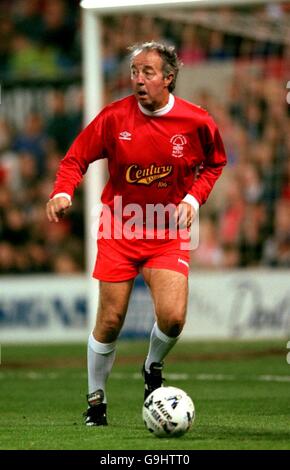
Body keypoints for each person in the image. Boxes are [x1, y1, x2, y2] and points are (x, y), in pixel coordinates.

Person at [46, 41, 227, 426]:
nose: (138, 80)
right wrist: (63, 190)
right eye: (134, 72)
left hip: (167, 231)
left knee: (174, 318)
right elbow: (76, 157)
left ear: (169, 77)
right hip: (120, 226)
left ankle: (152, 367)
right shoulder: (114, 118)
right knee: (111, 320)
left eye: (147, 72)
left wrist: (193, 200)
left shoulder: (196, 122)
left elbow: (214, 164)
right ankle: (96, 401)